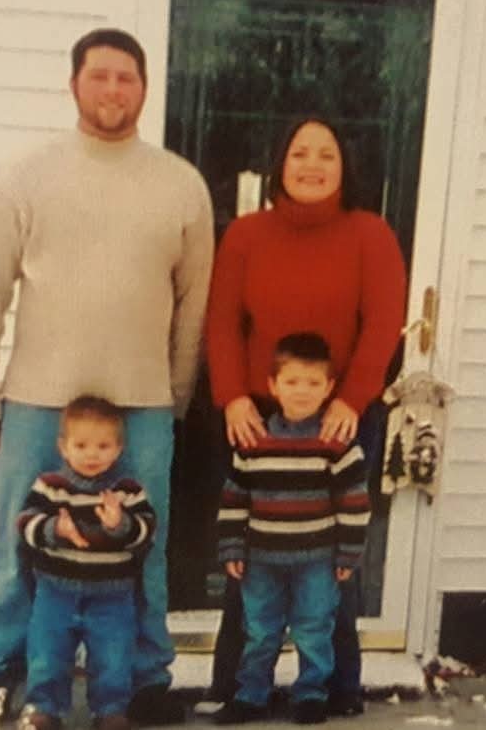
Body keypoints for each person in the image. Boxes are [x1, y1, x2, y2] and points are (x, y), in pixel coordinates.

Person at [0, 28, 214, 727]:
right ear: (75, 84)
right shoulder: (25, 177)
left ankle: (145, 678)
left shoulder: (181, 185)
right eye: (99, 76)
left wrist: (174, 395)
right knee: (20, 541)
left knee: (139, 544)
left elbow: (194, 305)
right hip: (37, 400)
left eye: (126, 78)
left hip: (141, 404)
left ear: (144, 89)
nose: (112, 90)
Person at [204, 116, 407, 717]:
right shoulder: (245, 234)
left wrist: (352, 399)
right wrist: (235, 397)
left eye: (326, 154)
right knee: (252, 549)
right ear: (279, 163)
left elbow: (383, 323)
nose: (311, 164)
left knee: (332, 561)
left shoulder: (370, 234)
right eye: (299, 153)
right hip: (259, 417)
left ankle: (336, 687)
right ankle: (238, 687)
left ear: (346, 167)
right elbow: (221, 322)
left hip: (340, 417)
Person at [214, 333, 370, 725]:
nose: (302, 392)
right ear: (273, 385)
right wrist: (232, 548)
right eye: (292, 382)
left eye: (314, 383)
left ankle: (311, 694)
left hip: (316, 561)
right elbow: (235, 499)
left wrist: (348, 554)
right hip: (261, 559)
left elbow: (354, 502)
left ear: (330, 388)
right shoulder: (254, 442)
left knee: (314, 628)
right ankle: (251, 695)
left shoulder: (336, 443)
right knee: (260, 630)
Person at [16, 396, 156, 730]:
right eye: (81, 445)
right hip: (55, 591)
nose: (92, 454)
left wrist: (120, 525)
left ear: (118, 449)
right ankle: (44, 709)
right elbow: (25, 524)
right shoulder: (51, 487)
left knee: (113, 655)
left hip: (112, 594)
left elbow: (147, 530)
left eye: (103, 446)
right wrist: (54, 529)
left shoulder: (127, 491)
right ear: (63, 447)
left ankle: (110, 710)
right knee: (47, 653)